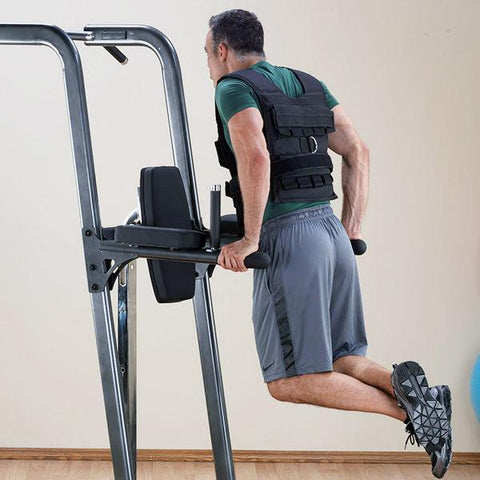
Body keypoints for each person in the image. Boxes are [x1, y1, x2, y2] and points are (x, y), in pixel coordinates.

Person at [204, 9, 452, 478]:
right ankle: (422, 396)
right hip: (332, 236)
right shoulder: (308, 83)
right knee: (345, 358)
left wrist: (250, 239)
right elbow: (358, 150)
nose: (209, 67)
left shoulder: (233, 87)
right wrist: (350, 230)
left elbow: (256, 156)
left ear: (222, 50)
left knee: (288, 380)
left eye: (207, 55)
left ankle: (414, 412)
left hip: (289, 239)